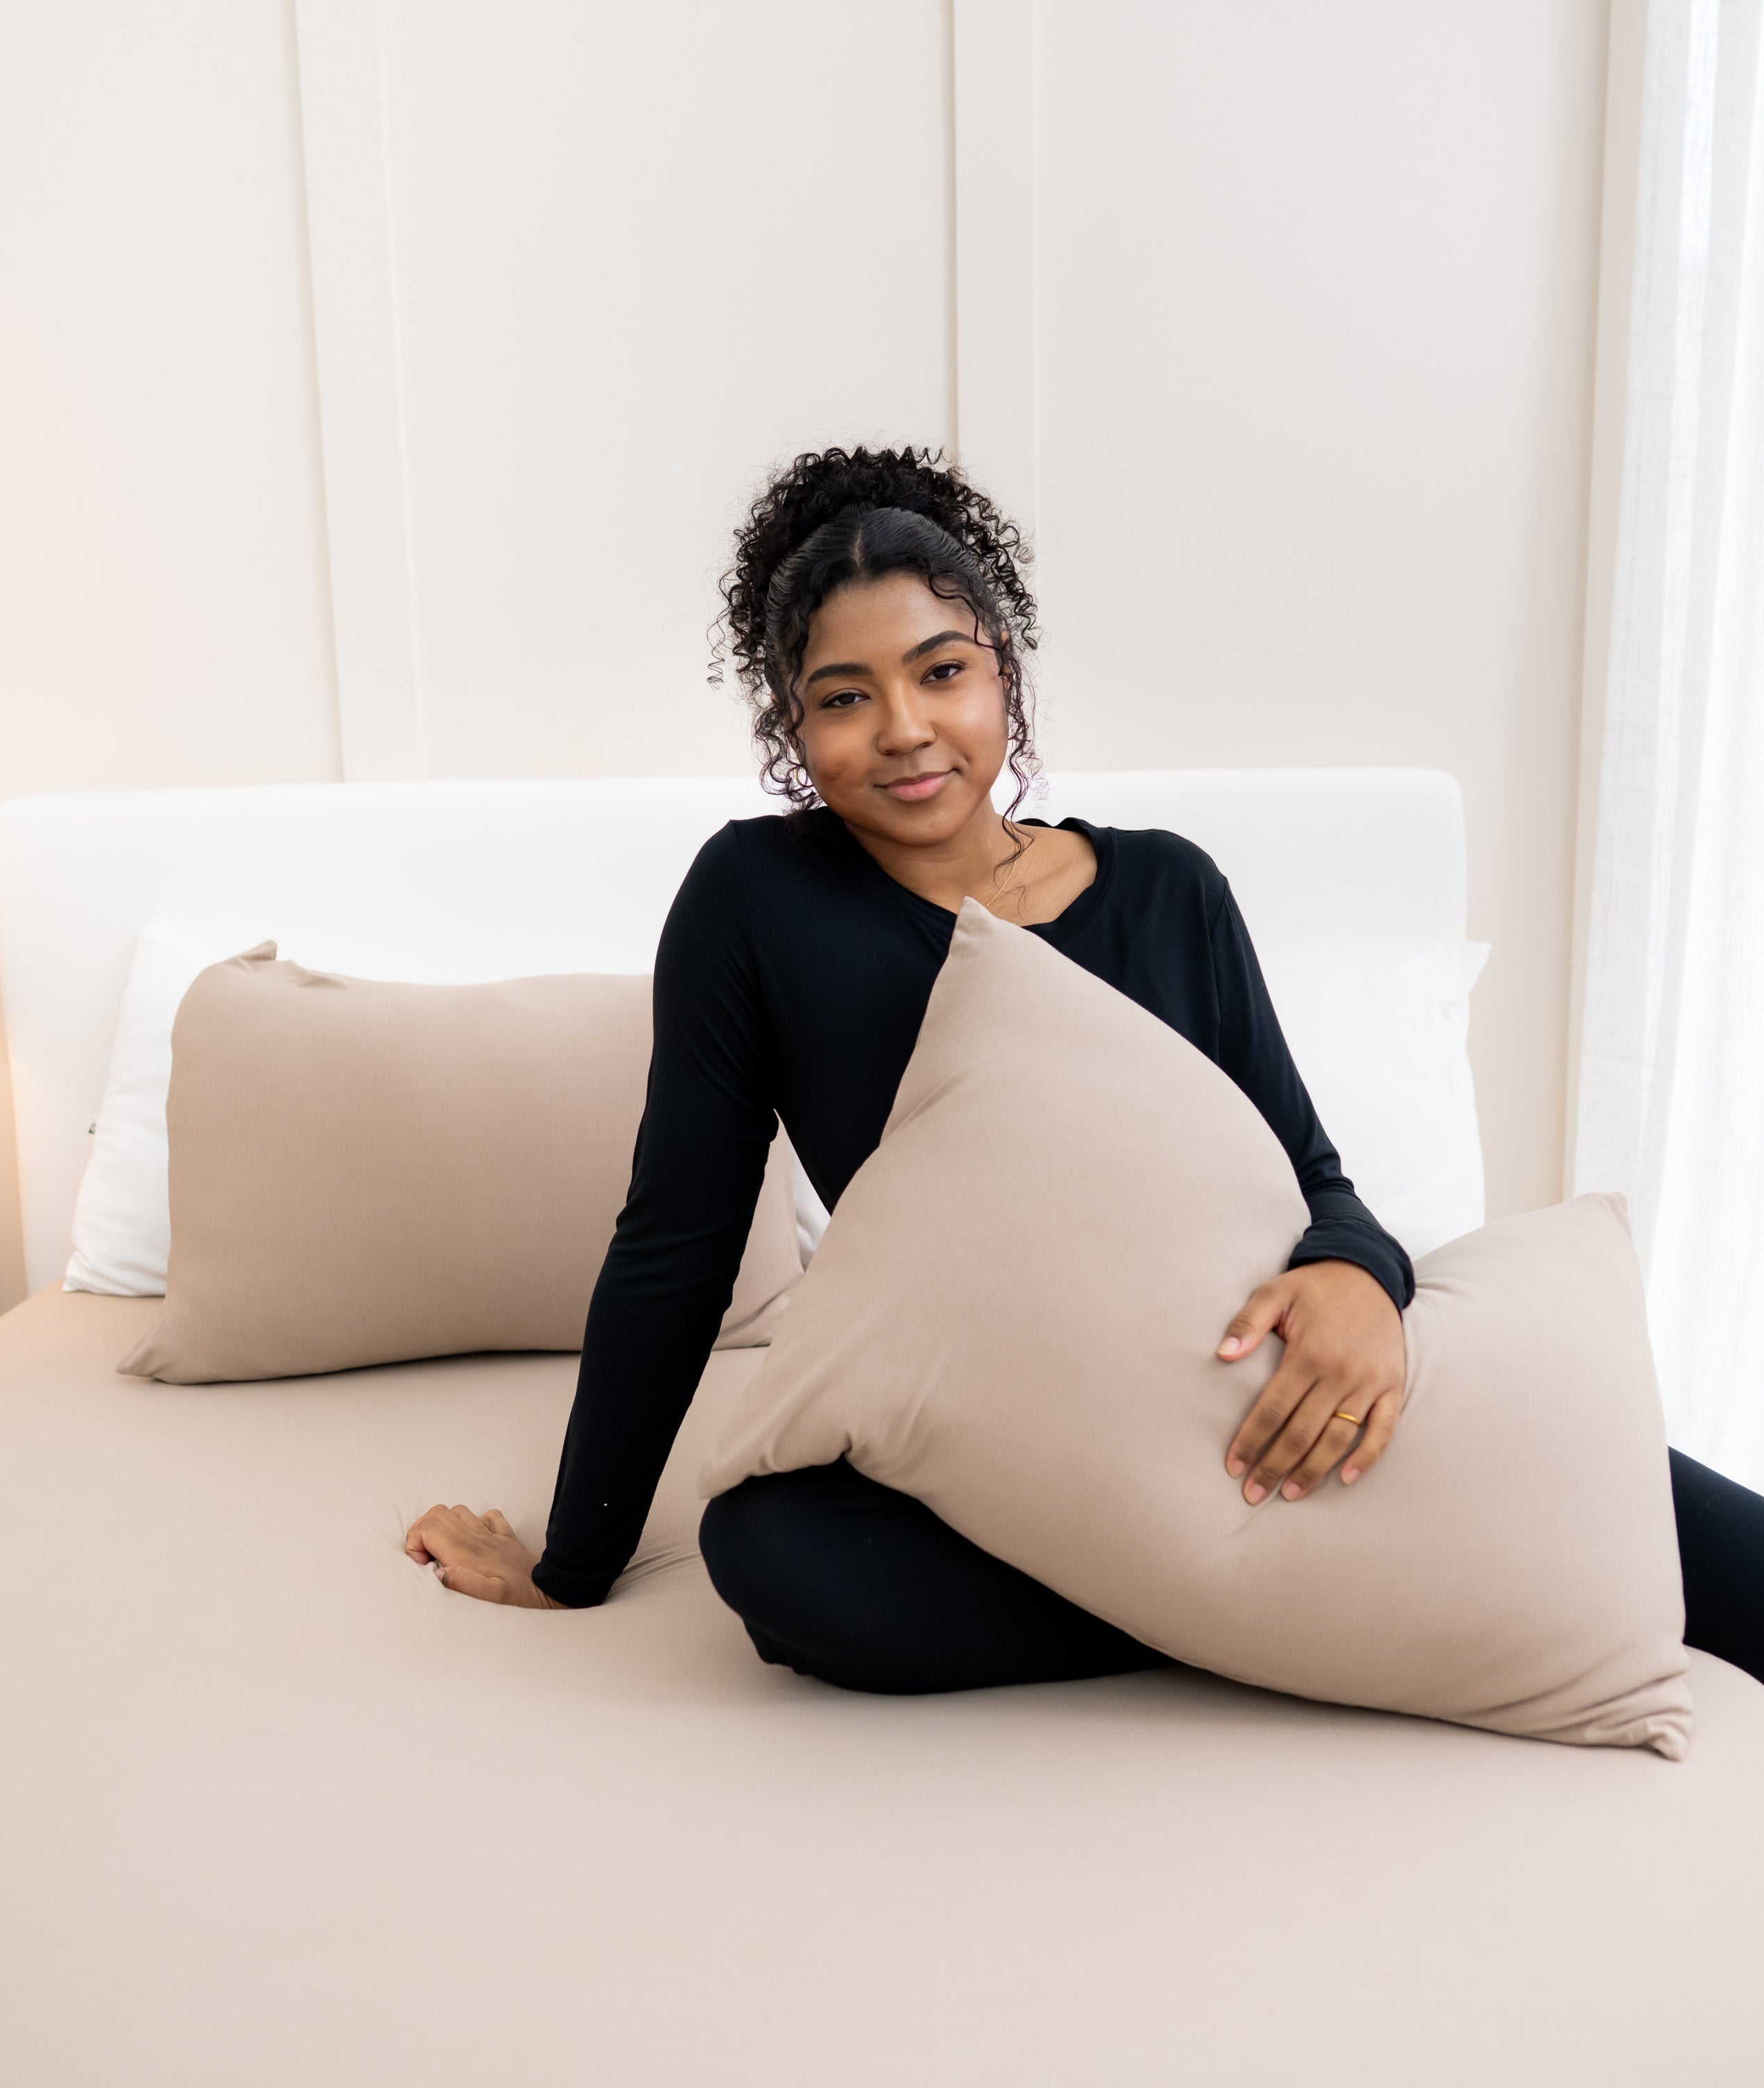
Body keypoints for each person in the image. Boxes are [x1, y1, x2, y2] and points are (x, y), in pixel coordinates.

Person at [406, 445, 1764, 1695]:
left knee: (1629, 1491)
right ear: (788, 724)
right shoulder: (755, 903)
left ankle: (1252, 1589)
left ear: (1006, 673)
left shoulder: (1167, 889)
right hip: (1012, 1447)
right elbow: (678, 1240)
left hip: (1254, 1394)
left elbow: (1316, 1186)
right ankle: (1271, 1593)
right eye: (842, 697)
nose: (903, 729)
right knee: (772, 1555)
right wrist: (571, 1566)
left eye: (942, 672)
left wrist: (1361, 1277)